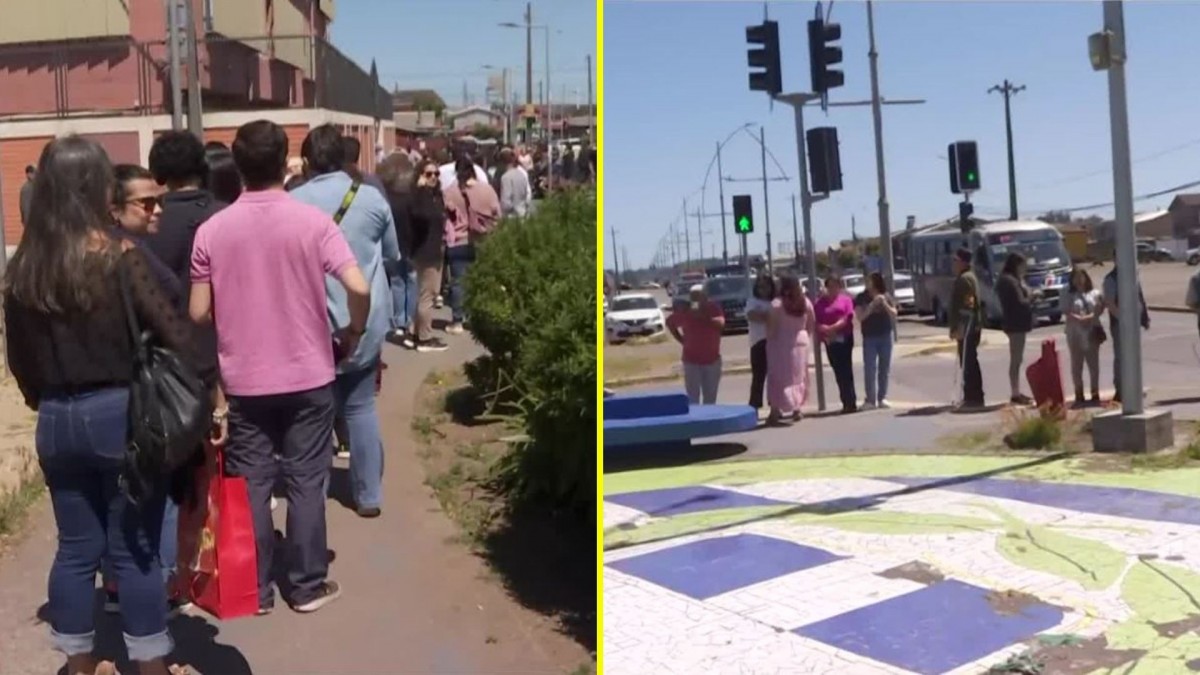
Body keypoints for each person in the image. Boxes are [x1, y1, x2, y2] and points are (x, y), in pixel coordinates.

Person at [5, 135, 209, 675]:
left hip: (55, 418)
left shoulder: (23, 269)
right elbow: (176, 334)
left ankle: (79, 664)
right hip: (119, 414)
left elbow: (20, 359)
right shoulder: (120, 257)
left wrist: (47, 400)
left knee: (75, 549)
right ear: (99, 188)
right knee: (133, 547)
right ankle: (150, 666)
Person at [188, 119, 371, 614]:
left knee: (252, 483)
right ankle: (307, 585)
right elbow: (358, 286)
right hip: (309, 372)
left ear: (237, 164)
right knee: (307, 480)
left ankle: (257, 589)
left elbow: (198, 312)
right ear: (287, 161)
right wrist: (353, 331)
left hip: (244, 378)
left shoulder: (212, 231)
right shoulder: (314, 222)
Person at [291, 124, 400, 518]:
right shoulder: (371, 199)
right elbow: (391, 254)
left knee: (314, 416)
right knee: (360, 408)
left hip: (310, 324)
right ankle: (368, 496)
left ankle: (312, 499)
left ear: (306, 160)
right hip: (363, 319)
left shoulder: (292, 202)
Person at [442, 156, 501, 335]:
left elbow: (444, 217)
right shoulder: (487, 190)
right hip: (483, 240)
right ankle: (480, 318)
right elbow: (498, 214)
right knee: (482, 280)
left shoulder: (450, 191)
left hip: (458, 241)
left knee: (458, 282)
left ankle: (457, 320)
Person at [377, 152, 420, 348]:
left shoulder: (384, 199)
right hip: (410, 246)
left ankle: (398, 321)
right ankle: (409, 319)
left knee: (396, 283)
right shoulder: (411, 198)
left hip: (391, 247)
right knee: (411, 281)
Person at [410, 159, 450, 352]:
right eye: (428, 174)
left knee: (425, 294)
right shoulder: (419, 197)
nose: (433, 177)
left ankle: (415, 332)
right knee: (429, 294)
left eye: (436, 174)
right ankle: (424, 338)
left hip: (435, 249)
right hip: (426, 252)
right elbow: (422, 216)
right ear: (420, 176)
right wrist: (422, 190)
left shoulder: (435, 195)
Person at [765, 275, 814, 424]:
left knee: (778, 376)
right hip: (801, 341)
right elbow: (811, 322)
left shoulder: (777, 305)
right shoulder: (805, 302)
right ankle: (796, 408)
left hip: (780, 343)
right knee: (798, 376)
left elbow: (772, 330)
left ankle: (775, 411)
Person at [666, 284, 725, 404]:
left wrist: (704, 317)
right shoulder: (686, 310)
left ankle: (709, 416)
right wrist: (681, 340)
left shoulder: (713, 308)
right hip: (691, 361)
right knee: (693, 397)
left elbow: (720, 324)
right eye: (693, 297)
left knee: (710, 397)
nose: (696, 300)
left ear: (705, 296)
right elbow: (670, 322)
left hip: (712, 360)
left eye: (699, 296)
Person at [1102, 262, 1150, 403]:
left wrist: (1144, 317)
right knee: (1121, 357)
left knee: (1134, 355)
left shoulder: (1133, 275)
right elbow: (1110, 303)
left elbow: (1139, 296)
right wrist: (1123, 319)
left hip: (1135, 323)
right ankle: (1121, 390)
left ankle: (1135, 387)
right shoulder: (1111, 279)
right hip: (1120, 325)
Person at [995, 252, 1035, 405]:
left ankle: (1016, 391)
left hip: (1015, 323)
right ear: (1016, 265)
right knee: (1016, 359)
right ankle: (1015, 393)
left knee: (1017, 359)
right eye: (1023, 266)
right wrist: (1033, 296)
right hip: (1015, 323)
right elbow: (1020, 302)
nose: (1024, 269)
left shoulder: (1011, 279)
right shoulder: (1010, 281)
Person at [814, 274, 857, 413]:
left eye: (835, 286)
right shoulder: (820, 303)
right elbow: (816, 321)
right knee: (838, 371)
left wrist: (833, 328)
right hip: (830, 340)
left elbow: (847, 317)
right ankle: (845, 401)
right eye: (830, 286)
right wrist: (825, 330)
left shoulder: (846, 300)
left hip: (844, 338)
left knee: (846, 370)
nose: (833, 289)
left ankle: (851, 402)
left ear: (840, 287)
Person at [1062, 267, 1104, 407]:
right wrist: (1078, 318)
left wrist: (1089, 317)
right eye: (1076, 277)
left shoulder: (1095, 293)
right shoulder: (1067, 293)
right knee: (1077, 364)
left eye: (1081, 277)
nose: (1079, 280)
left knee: (1093, 365)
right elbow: (1066, 310)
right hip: (1074, 332)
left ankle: (1095, 392)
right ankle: (1079, 393)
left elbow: (1100, 309)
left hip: (1091, 331)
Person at [854, 272, 897, 409]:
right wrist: (872, 305)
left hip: (885, 335)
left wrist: (884, 303)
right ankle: (870, 400)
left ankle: (882, 397)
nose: (868, 283)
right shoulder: (861, 298)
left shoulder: (886, 295)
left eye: (871, 281)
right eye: (867, 281)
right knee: (870, 368)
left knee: (884, 367)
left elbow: (894, 313)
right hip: (869, 337)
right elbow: (860, 317)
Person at [950, 248, 985, 409]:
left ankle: (973, 397)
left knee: (968, 362)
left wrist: (961, 327)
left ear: (963, 262)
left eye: (956, 261)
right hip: (968, 326)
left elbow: (968, 305)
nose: (954, 264)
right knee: (968, 361)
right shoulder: (966, 277)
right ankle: (972, 395)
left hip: (967, 327)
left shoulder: (965, 279)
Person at [745, 274, 775, 412]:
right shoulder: (752, 301)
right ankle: (754, 407)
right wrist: (769, 317)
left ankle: (775, 407)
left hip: (774, 342)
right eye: (761, 287)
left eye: (767, 286)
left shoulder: (775, 302)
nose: (764, 290)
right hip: (757, 342)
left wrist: (768, 317)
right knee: (758, 377)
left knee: (774, 377)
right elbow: (752, 316)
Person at [498, 148, 532, 218]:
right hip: (523, 214)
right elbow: (527, 195)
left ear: (502, 162)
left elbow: (505, 203)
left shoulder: (506, 177)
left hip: (512, 217)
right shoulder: (522, 174)